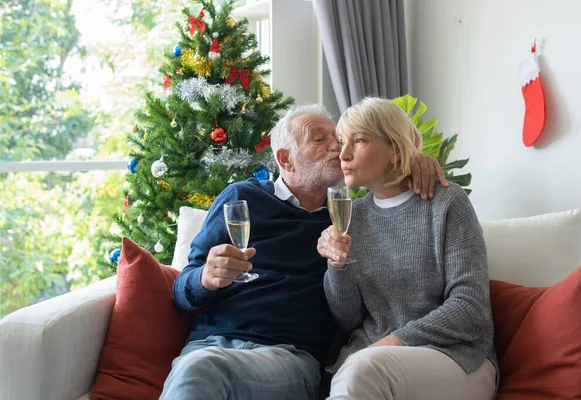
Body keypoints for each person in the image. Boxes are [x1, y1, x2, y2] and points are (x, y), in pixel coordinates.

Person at [160, 103, 448, 400]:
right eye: (319, 139)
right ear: (286, 159)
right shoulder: (241, 199)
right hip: (211, 344)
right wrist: (206, 277)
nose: (337, 146)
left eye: (337, 138)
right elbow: (182, 291)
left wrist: (416, 161)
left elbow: (390, 176)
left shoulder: (348, 217)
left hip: (289, 358)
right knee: (199, 366)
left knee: (200, 370)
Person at [316, 97, 498, 400]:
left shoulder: (446, 203)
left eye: (359, 140)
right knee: (358, 372)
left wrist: (391, 342)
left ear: (395, 149)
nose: (343, 154)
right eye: (341, 141)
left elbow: (470, 306)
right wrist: (337, 266)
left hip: (458, 358)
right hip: (371, 361)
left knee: (363, 371)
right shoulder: (353, 214)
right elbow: (347, 319)